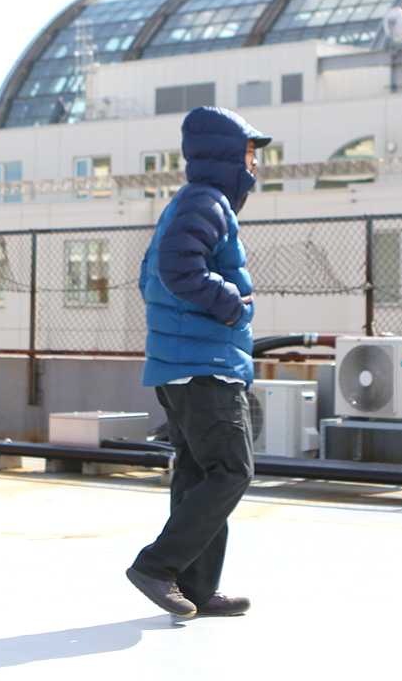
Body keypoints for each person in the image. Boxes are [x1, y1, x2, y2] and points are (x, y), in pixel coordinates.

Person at [126, 106, 271, 618]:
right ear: (227, 154)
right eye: (250, 152)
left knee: (198, 475)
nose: (256, 163)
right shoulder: (205, 202)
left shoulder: (191, 203)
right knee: (232, 471)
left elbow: (149, 275)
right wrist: (231, 305)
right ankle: (157, 566)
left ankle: (196, 587)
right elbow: (175, 267)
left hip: (184, 364)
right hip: (205, 366)